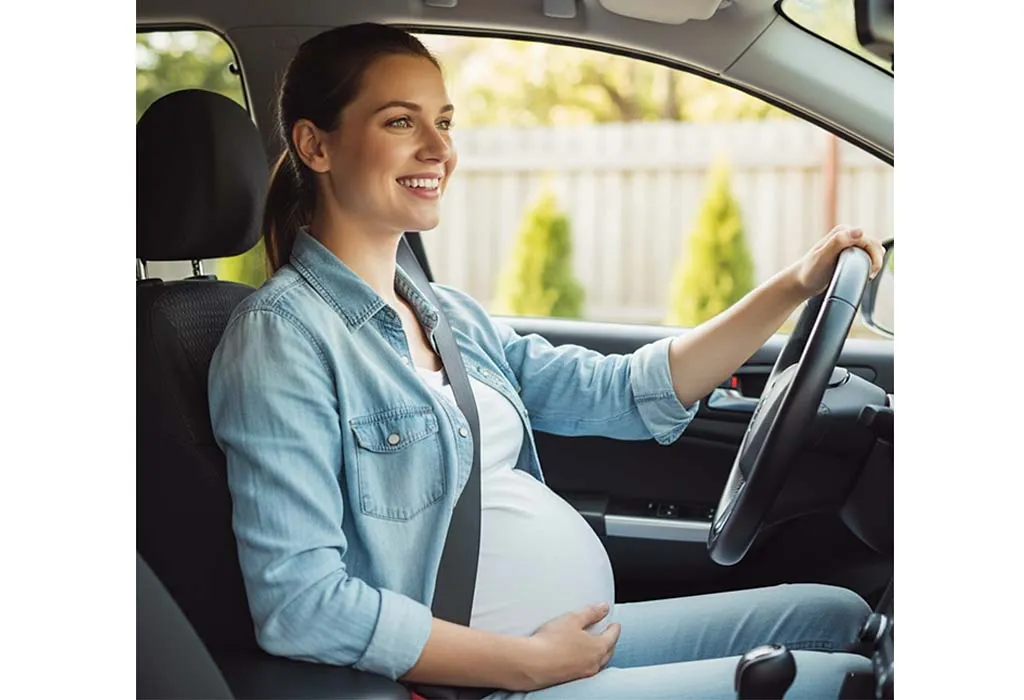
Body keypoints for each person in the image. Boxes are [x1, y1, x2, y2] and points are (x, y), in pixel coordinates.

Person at [208, 22, 885, 700]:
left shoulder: (450, 316)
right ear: (315, 145)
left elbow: (623, 391)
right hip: (478, 684)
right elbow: (302, 607)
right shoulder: (281, 339)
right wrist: (525, 665)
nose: (439, 148)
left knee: (835, 616)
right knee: (848, 684)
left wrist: (795, 285)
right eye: (399, 122)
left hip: (559, 654)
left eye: (444, 122)